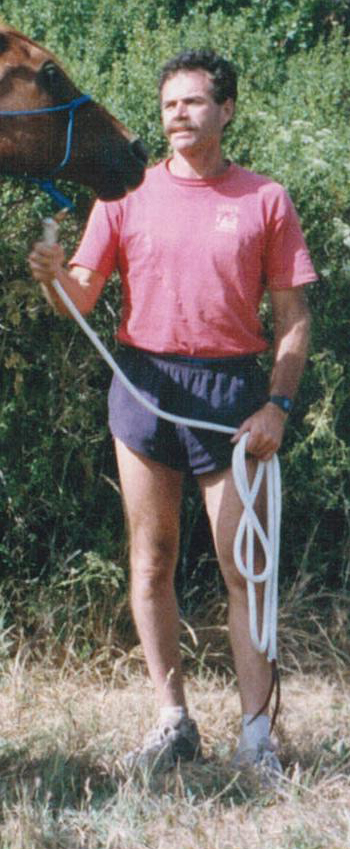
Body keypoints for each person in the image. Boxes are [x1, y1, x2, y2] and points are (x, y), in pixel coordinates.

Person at [28, 51, 316, 777]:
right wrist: (52, 276)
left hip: (230, 401)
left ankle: (256, 737)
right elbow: (82, 299)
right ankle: (172, 721)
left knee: (241, 569)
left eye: (193, 102)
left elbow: (291, 318)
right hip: (143, 390)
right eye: (167, 106)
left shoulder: (263, 199)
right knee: (150, 561)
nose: (177, 115)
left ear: (226, 111)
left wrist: (276, 406)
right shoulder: (125, 193)